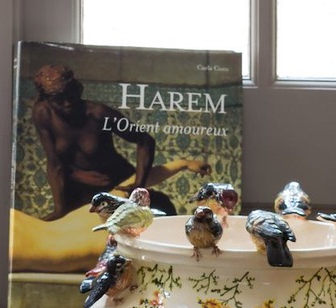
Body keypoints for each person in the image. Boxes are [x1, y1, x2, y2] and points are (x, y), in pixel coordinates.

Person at [31, 64, 205, 221]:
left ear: (77, 89)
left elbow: (145, 140)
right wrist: (60, 209)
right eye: (59, 100)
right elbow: (55, 164)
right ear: (46, 99)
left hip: (115, 185)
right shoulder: (42, 114)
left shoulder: (98, 114)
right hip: (78, 194)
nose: (68, 103)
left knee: (161, 210)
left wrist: (139, 186)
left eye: (70, 95)